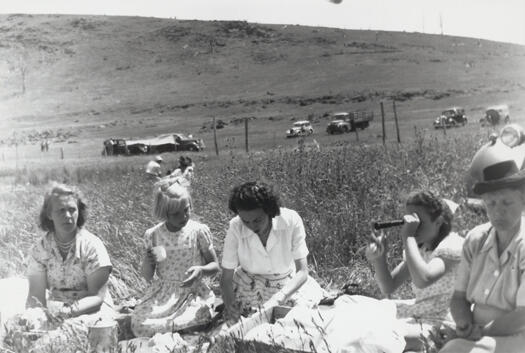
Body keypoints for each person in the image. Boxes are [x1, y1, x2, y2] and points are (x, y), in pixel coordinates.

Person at [4, 183, 113, 352]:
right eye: (61, 210)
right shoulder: (40, 248)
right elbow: (36, 297)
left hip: (91, 314)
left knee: (53, 342)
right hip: (56, 311)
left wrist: (66, 312)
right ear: (49, 214)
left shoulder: (92, 246)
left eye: (72, 209)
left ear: (79, 211)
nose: (68, 215)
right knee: (14, 334)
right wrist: (33, 317)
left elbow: (96, 298)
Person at [439, 137, 525, 352]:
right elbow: (459, 298)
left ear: (523, 200)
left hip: (518, 334)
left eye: (506, 202)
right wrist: (463, 325)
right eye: (491, 203)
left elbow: (523, 315)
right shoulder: (476, 239)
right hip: (477, 331)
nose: (498, 211)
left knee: (457, 350)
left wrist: (477, 335)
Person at [366, 190, 463, 351]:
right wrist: (379, 257)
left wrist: (408, 238)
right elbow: (388, 287)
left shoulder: (452, 246)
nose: (413, 228)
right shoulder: (423, 248)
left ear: (438, 222)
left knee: (382, 336)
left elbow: (423, 279)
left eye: (419, 223)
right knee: (364, 316)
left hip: (444, 322)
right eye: (410, 222)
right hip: (422, 311)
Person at [220, 181, 324, 324]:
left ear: (269, 211)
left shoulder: (291, 220)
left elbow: (302, 272)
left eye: (257, 220)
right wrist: (231, 308)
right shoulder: (235, 226)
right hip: (248, 283)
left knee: (297, 321)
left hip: (287, 284)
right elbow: (226, 278)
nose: (252, 226)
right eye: (246, 221)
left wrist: (279, 297)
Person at [130, 180, 219, 337]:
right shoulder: (154, 235)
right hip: (163, 293)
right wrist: (149, 260)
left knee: (195, 318)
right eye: (176, 214)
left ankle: (180, 331)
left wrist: (201, 270)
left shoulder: (198, 231)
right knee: (138, 322)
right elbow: (147, 275)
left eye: (186, 210)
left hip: (192, 292)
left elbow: (214, 266)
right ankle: (173, 333)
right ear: (164, 213)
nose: (183, 216)